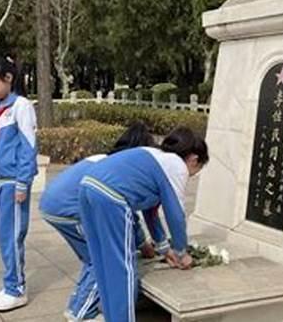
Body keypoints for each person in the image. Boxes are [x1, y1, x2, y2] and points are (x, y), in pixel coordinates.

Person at [79, 127, 208, 322]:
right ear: (194, 159)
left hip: (88, 188)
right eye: (196, 171)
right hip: (111, 197)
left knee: (104, 263)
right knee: (124, 269)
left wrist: (165, 250)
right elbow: (175, 215)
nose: (192, 176)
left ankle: (111, 316)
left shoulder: (157, 157)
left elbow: (151, 212)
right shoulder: (176, 165)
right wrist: (182, 251)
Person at [39, 122, 165, 321]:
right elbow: (125, 213)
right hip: (69, 209)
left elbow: (128, 214)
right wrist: (143, 244)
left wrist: (141, 243)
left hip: (53, 204)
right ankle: (79, 312)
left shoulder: (109, 160)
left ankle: (78, 304)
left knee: (91, 257)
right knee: (102, 259)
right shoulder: (122, 169)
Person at [0, 56, 38, 312]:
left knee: (13, 236)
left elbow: (28, 147)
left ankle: (17, 289)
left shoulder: (21, 107)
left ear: (8, 79)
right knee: (5, 237)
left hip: (15, 182)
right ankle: (10, 283)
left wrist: (23, 183)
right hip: (1, 182)